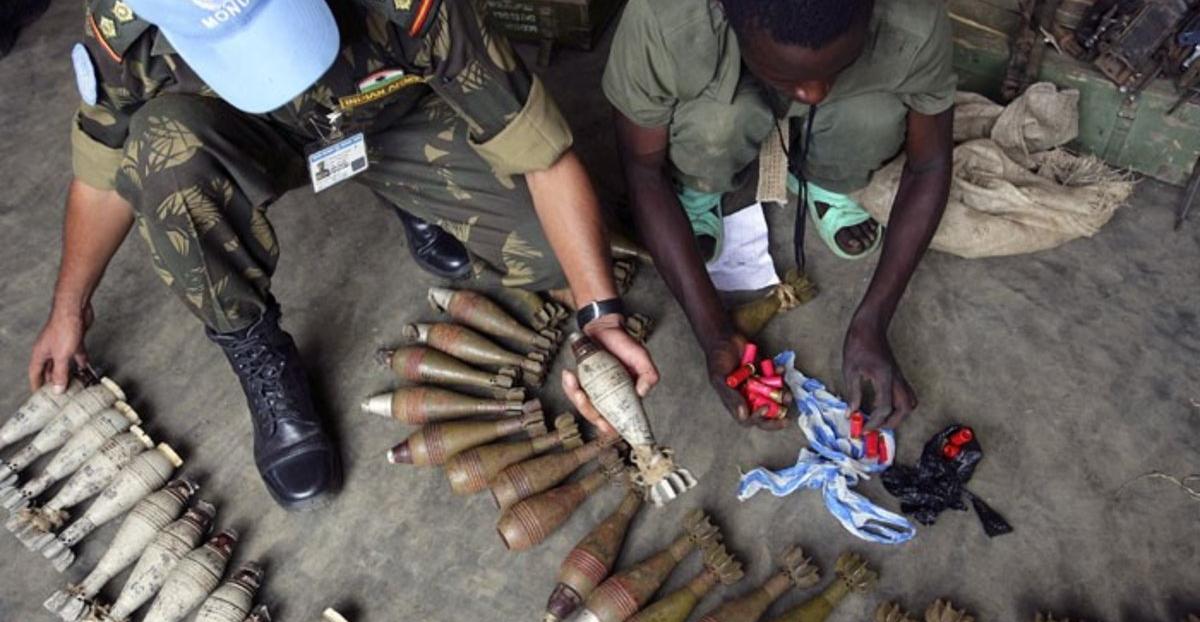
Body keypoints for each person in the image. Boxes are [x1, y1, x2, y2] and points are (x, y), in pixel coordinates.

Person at [28, 0, 657, 510]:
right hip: (257, 136)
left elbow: (541, 154)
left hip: (396, 113)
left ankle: (413, 192)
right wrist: (68, 308)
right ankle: (259, 352)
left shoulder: (417, 5)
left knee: (570, 254)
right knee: (158, 155)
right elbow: (101, 170)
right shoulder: (129, 24)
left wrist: (598, 315)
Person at [601, 0, 955, 431]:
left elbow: (930, 164)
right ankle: (700, 184)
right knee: (716, 128)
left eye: (837, 64)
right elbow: (642, 169)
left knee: (871, 119)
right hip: (715, 103)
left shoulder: (915, 14)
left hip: (844, 102)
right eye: (789, 76)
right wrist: (713, 333)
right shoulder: (667, 18)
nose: (814, 93)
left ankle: (827, 174)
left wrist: (873, 320)